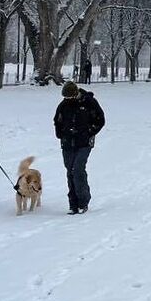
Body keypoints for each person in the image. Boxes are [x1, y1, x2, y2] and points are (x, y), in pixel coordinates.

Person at [54, 81, 105, 215]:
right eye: (65, 98)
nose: (67, 100)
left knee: (78, 169)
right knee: (70, 171)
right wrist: (60, 134)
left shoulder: (89, 102)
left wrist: (90, 131)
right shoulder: (63, 105)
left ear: (75, 94)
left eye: (69, 97)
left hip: (84, 143)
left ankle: (83, 201)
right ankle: (73, 204)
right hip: (67, 143)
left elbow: (100, 119)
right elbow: (57, 121)